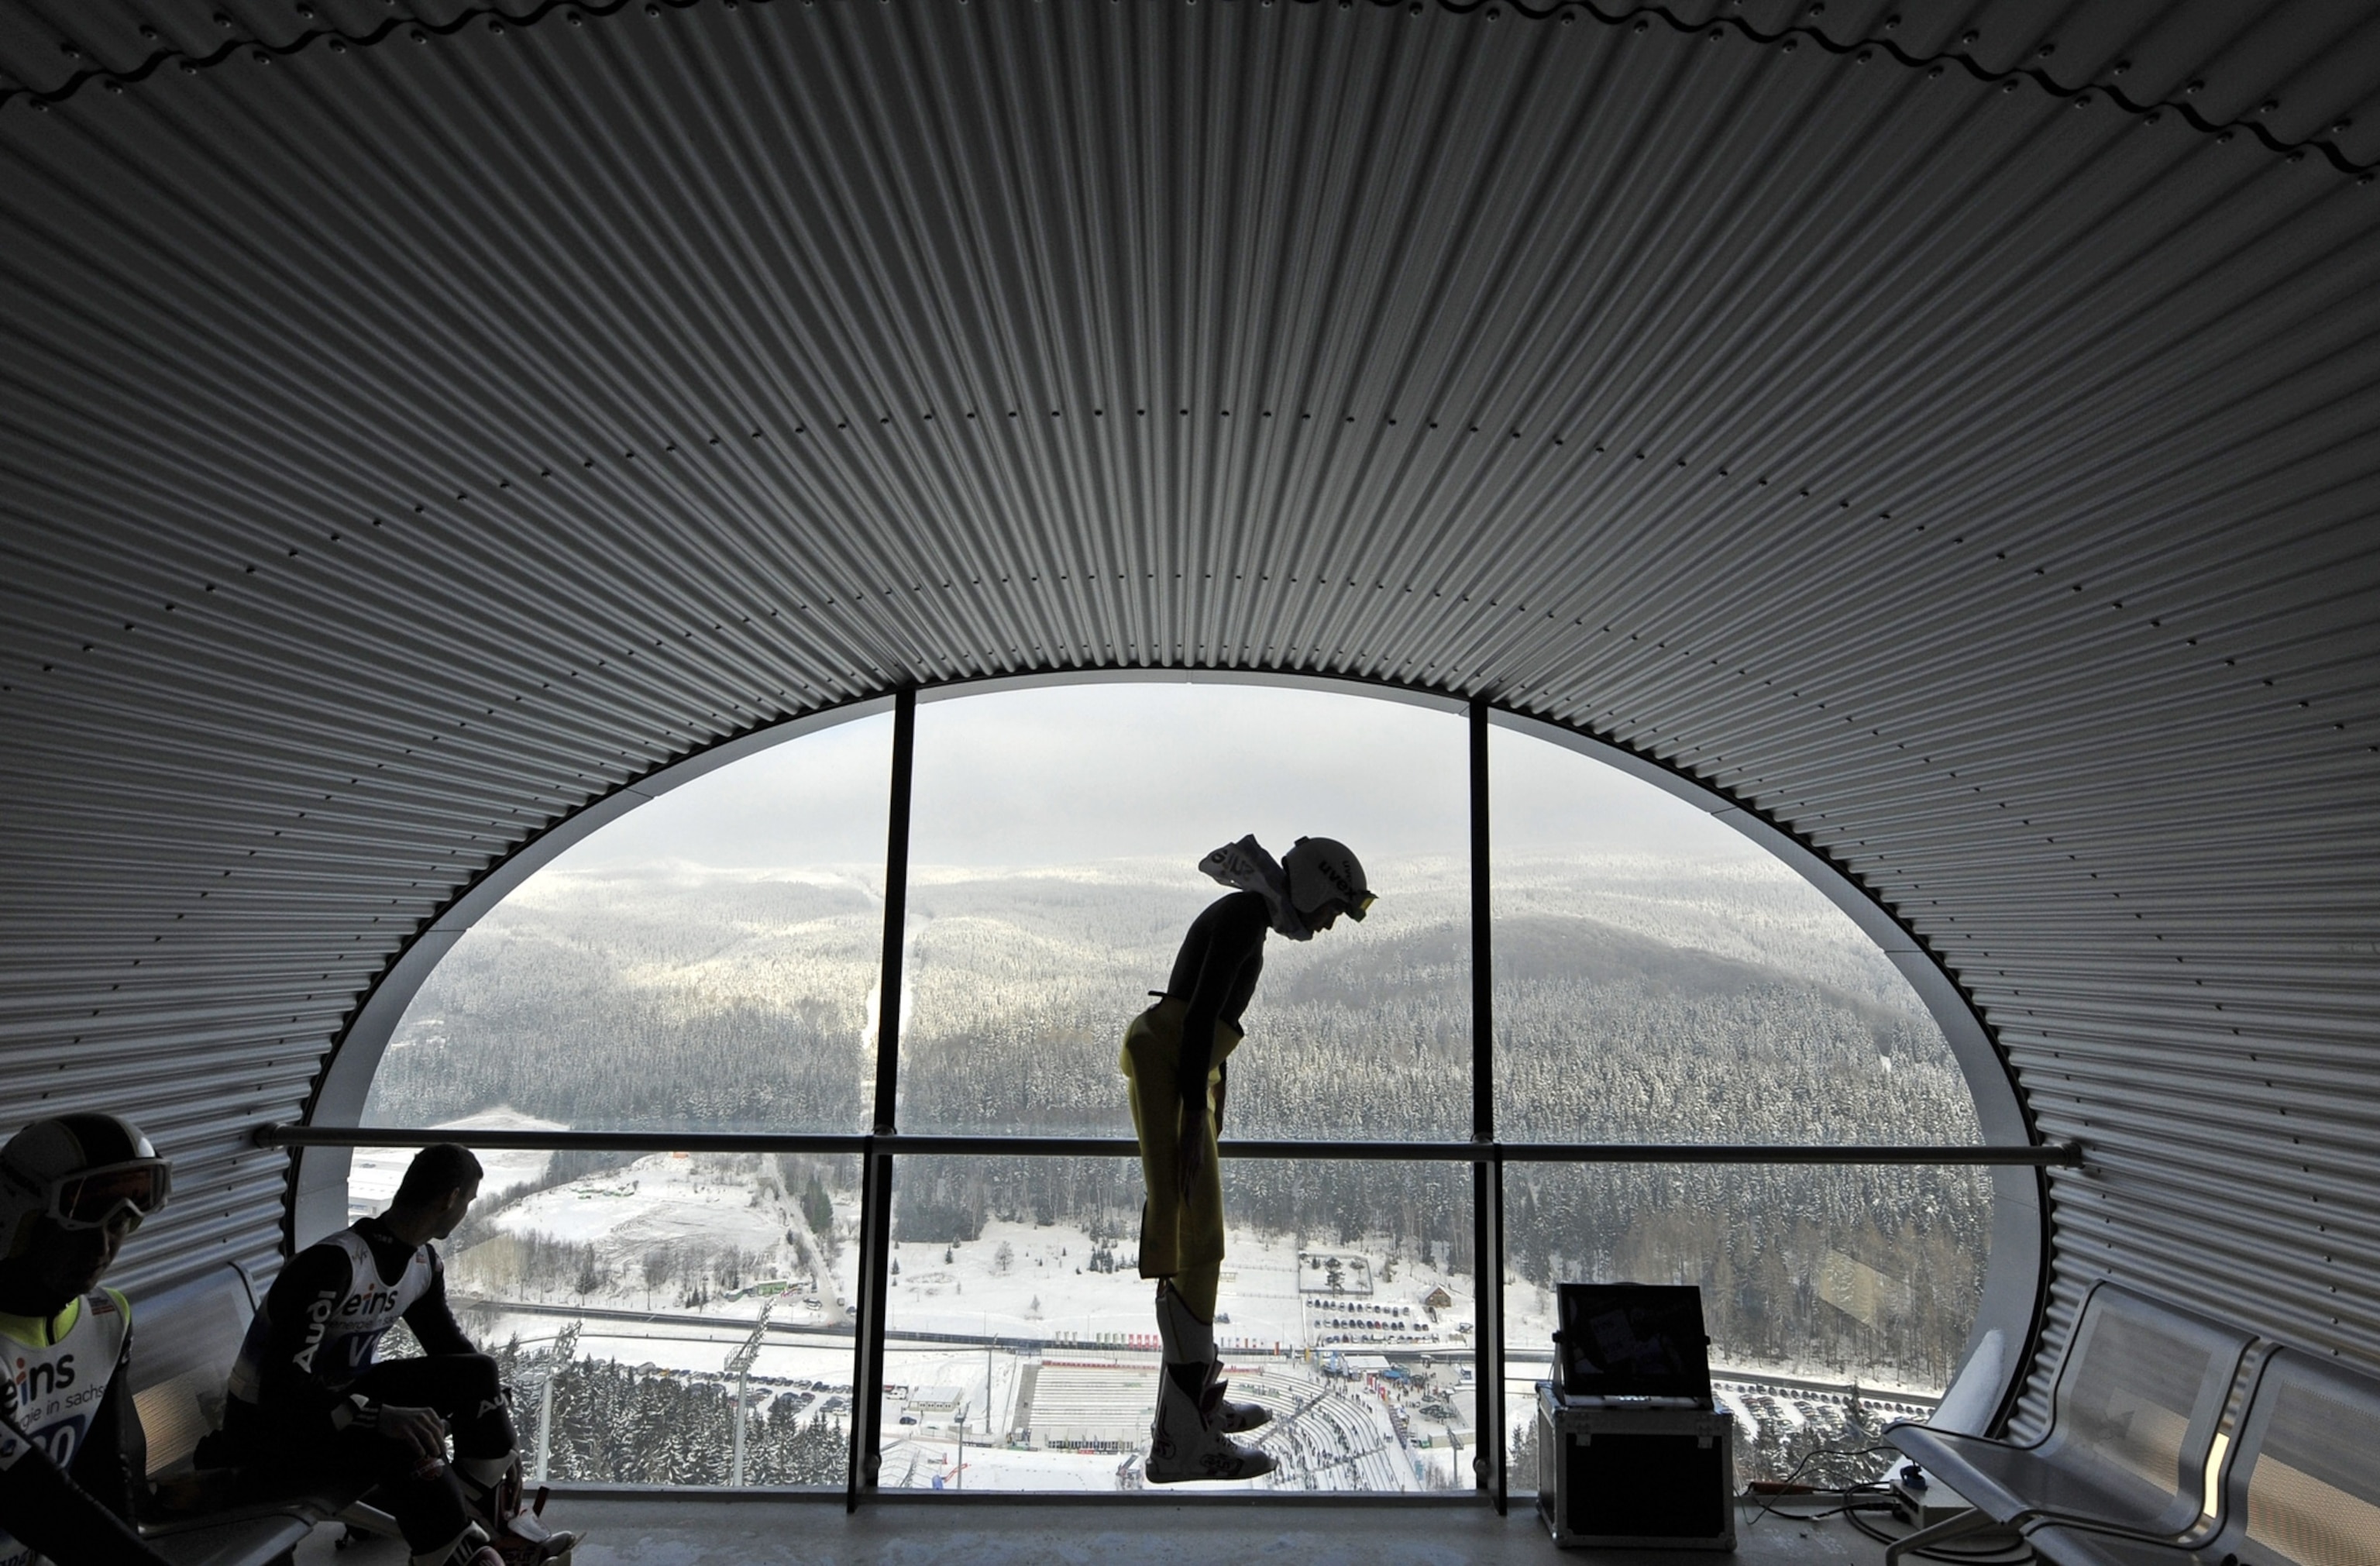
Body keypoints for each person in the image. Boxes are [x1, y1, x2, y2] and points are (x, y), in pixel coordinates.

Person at [1126, 835, 1374, 1483]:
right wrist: (1188, 1119)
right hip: (1171, 1068)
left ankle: (1192, 1412)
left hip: (1177, 1067)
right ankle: (1184, 1443)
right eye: (1331, 911)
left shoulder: (1251, 917)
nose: (1324, 927)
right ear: (1318, 887)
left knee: (1197, 1239)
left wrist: (1202, 1102)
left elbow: (1202, 1018)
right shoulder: (1244, 917)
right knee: (1192, 1241)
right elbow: (1203, 1011)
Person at [221, 1144, 573, 1566]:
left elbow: (449, 1350)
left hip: (339, 1398)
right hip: (273, 1423)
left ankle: (494, 1519)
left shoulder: (421, 1262)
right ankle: (453, 1552)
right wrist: (379, 1415)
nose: (465, 1212)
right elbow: (282, 1391)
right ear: (450, 1198)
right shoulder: (334, 1266)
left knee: (480, 1372)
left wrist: (493, 1410)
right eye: (469, 1201)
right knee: (408, 1438)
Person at [0, 1113, 178, 1566]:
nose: (102, 1250)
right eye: (76, 1230)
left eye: (118, 1226)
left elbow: (105, 1467)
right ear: (18, 1224)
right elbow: (28, 1493)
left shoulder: (107, 1316)